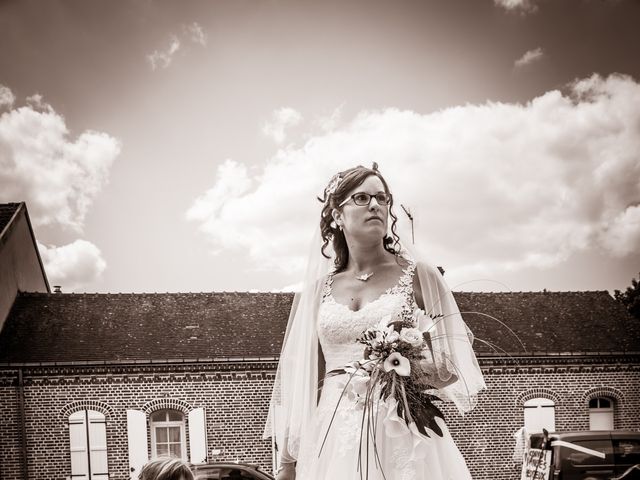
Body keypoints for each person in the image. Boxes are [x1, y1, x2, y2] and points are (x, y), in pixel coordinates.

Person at [264, 164, 486, 480]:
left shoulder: (420, 275)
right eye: (362, 198)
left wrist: (398, 373)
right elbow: (305, 383)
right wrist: (288, 462)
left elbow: (453, 364)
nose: (375, 205)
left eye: (382, 198)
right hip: (332, 438)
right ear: (337, 216)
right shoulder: (317, 292)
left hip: (401, 431)